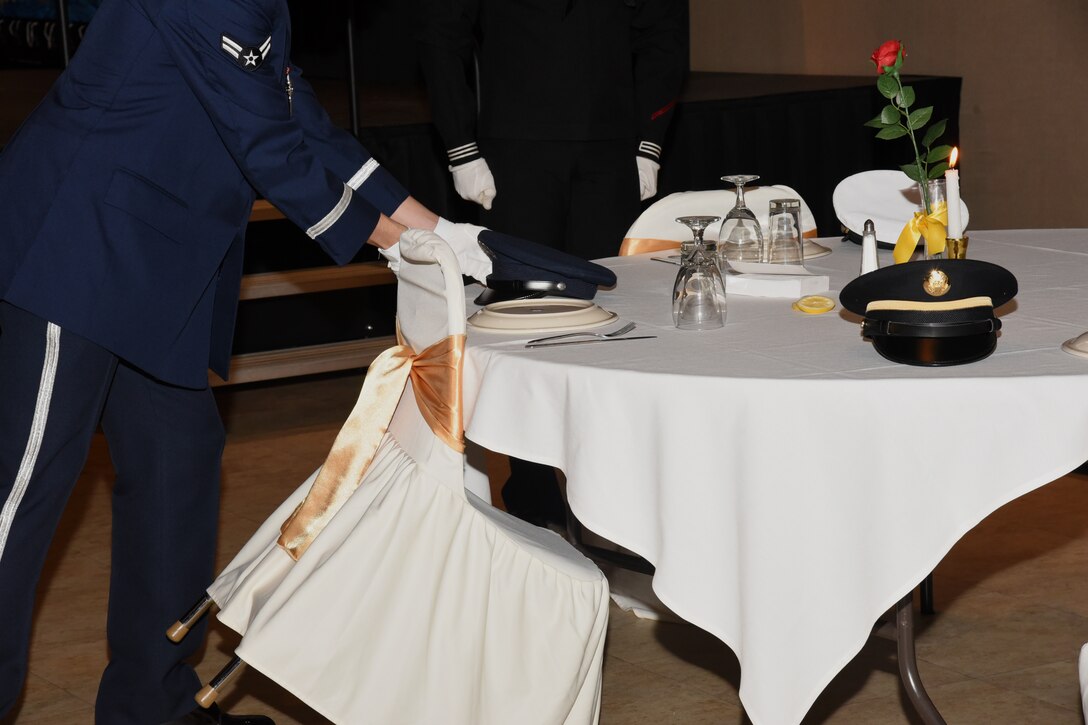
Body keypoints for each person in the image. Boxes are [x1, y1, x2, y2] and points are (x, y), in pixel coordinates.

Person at [0, 1, 490, 723]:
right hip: (77, 246)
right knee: (19, 496)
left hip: (154, 261)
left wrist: (440, 228)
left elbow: (299, 117)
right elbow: (269, 149)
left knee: (178, 468)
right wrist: (400, 243)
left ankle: (152, 704)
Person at [416, 0, 688, 526]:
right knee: (526, 325)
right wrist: (461, 146)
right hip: (513, 150)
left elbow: (664, 27)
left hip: (611, 151)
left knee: (617, 325)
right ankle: (535, 496)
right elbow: (440, 29)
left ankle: (613, 493)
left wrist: (649, 142)